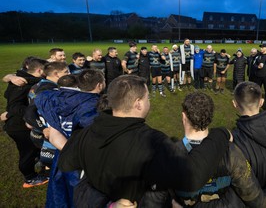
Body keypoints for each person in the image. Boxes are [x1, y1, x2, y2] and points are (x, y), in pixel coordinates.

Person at [57, 75, 231, 205]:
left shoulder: (87, 132)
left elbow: (65, 162)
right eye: (148, 97)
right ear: (138, 103)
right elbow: (193, 176)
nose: (150, 101)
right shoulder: (152, 142)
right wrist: (220, 134)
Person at [173, 92, 266, 207]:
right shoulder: (231, 151)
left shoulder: (169, 154)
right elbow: (254, 197)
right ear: (210, 117)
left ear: (184, 117)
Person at [35, 69, 105, 208]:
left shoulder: (58, 98)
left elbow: (40, 97)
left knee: (60, 196)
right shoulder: (96, 106)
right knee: (83, 198)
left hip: (61, 156)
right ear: (99, 85)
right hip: (82, 162)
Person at [2, 57, 49, 188]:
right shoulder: (21, 84)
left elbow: (7, 96)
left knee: (32, 149)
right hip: (18, 126)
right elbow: (14, 107)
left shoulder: (22, 79)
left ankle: (37, 166)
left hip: (20, 123)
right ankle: (30, 178)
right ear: (39, 70)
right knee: (27, 152)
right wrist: (32, 112)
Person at [23, 62, 70, 171]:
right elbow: (29, 112)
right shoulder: (47, 90)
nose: (69, 73)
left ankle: (43, 165)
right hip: (44, 135)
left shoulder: (40, 84)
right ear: (56, 74)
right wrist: (43, 128)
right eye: (66, 72)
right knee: (56, 166)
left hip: (37, 132)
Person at [251, 44, 266, 109]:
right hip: (258, 76)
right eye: (261, 48)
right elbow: (253, 64)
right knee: (257, 90)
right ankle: (257, 102)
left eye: (262, 48)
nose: (261, 49)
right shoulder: (258, 56)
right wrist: (258, 67)